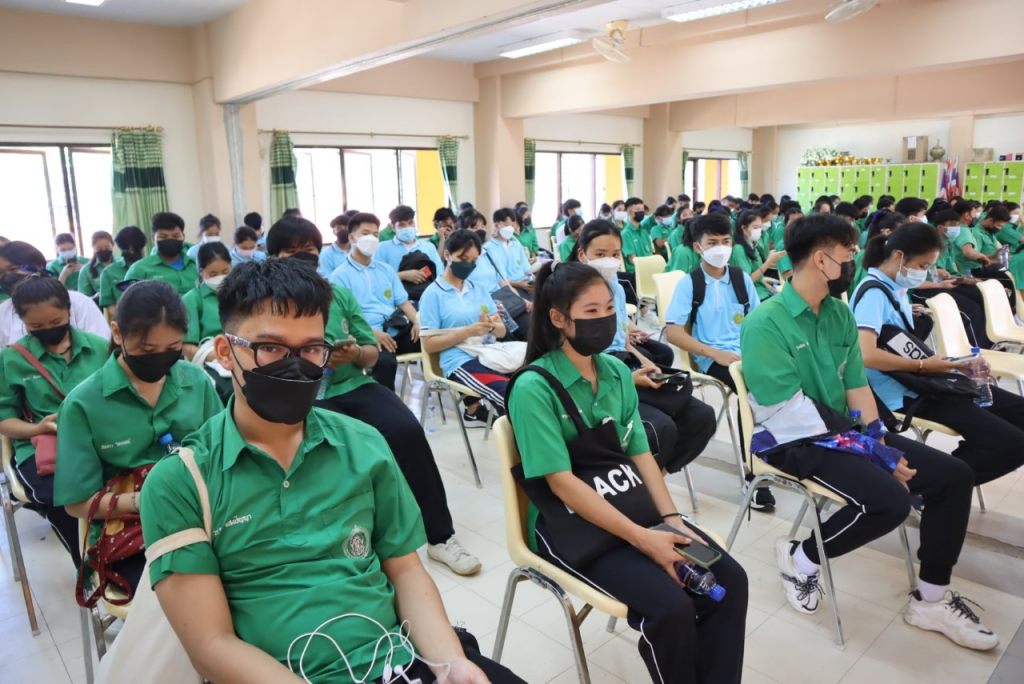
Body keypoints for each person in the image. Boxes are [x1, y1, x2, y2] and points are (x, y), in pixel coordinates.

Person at [140, 258, 523, 684]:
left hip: (396, 660)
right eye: (270, 348)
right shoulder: (182, 481)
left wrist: (450, 664)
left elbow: (405, 571)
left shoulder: (363, 445)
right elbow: (211, 645)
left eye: (310, 349)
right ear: (226, 353)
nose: (294, 365)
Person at [741, 213, 997, 650]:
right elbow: (789, 411)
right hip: (793, 438)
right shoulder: (766, 322)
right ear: (821, 260)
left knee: (954, 477)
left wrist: (876, 441)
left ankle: (931, 600)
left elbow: (856, 385)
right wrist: (875, 454)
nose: (854, 260)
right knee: (890, 501)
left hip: (846, 431)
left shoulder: (838, 312)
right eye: (848, 253)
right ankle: (801, 557)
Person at [508, 259, 748, 684]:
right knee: (670, 608)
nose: (604, 319)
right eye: (591, 311)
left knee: (729, 580)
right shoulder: (534, 388)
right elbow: (562, 484)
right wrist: (644, 539)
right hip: (570, 527)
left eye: (608, 308)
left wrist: (672, 520)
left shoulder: (617, 372)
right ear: (559, 319)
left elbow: (640, 454)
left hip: (627, 504)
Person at [268, 217, 481, 575]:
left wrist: (353, 353)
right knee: (325, 447)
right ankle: (331, 547)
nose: (304, 257)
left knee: (406, 430)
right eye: (293, 251)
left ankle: (440, 537)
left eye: (310, 250)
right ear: (274, 257)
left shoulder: (336, 295)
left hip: (351, 383)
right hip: (303, 394)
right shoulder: (267, 305)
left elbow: (369, 354)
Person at [54, 280, 221, 592]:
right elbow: (76, 504)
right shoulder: (83, 404)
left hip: (203, 512)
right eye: (147, 350)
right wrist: (140, 501)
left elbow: (222, 457)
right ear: (117, 333)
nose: (161, 358)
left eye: (172, 348)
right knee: (184, 594)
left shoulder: (196, 381)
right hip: (132, 528)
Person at [852, 222, 1024, 488]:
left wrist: (955, 365)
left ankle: (948, 478)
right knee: (1012, 444)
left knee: (1018, 413)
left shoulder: (895, 288)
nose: (924, 273)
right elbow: (866, 354)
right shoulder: (874, 293)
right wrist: (924, 366)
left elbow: (907, 348)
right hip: (900, 393)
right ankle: (936, 485)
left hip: (921, 381)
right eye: (922, 266)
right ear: (899, 256)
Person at [575, 219, 716, 476]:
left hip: (621, 363)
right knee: (661, 428)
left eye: (615, 254)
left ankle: (654, 481)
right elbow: (576, 360)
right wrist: (628, 379)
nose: (609, 261)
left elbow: (621, 338)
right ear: (582, 255)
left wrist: (642, 360)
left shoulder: (615, 287)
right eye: (600, 254)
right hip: (599, 379)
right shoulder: (572, 295)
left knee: (702, 417)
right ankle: (638, 487)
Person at [664, 213, 776, 510]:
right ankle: (754, 474)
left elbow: (757, 322)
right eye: (712, 242)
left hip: (745, 353)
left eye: (725, 241)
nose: (720, 248)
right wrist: (714, 354)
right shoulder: (690, 283)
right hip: (711, 357)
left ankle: (777, 456)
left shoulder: (740, 278)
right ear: (698, 247)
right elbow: (674, 333)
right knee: (750, 392)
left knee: (782, 380)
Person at [0, 277, 107, 567]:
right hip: (44, 447)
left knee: (128, 483)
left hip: (99, 440)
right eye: (36, 326)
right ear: (22, 320)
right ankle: (89, 567)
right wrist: (38, 428)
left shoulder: (100, 348)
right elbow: (4, 420)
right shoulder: (11, 359)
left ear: (69, 310)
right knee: (61, 499)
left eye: (56, 321)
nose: (48, 330)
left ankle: (123, 554)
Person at [420, 229, 510, 424]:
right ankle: (518, 439)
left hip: (489, 353)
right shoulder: (433, 295)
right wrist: (467, 332)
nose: (469, 264)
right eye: (463, 258)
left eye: (474, 260)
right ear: (447, 255)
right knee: (509, 393)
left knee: (528, 383)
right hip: (459, 360)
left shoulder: (478, 289)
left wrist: (491, 326)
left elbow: (502, 331)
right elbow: (429, 344)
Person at [329, 212, 421, 392]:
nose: (371, 239)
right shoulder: (339, 276)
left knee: (433, 341)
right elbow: (343, 319)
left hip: (396, 329)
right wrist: (371, 333)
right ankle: (386, 405)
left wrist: (418, 322)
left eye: (375, 235)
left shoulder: (386, 270)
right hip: (367, 335)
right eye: (365, 234)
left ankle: (467, 400)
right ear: (352, 238)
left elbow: (403, 303)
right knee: (385, 362)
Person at [0, 242, 110, 347]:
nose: (7, 277)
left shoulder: (78, 302)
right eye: (1, 273)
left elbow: (102, 346)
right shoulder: (3, 312)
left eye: (13, 269)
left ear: (38, 266)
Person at [125, 212, 199, 297]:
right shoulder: (139, 269)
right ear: (153, 239)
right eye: (163, 237)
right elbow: (128, 302)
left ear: (183, 237)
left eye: (176, 236)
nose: (170, 240)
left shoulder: (198, 265)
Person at [182, 241, 233, 360]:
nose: (220, 277)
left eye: (225, 272)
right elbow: (186, 346)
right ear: (200, 272)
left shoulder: (241, 293)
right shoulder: (192, 299)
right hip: (208, 357)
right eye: (213, 274)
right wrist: (216, 357)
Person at [730, 210, 785, 300]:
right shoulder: (739, 249)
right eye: (755, 227)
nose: (759, 230)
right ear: (743, 228)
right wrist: (769, 261)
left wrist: (772, 289)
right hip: (753, 295)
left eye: (760, 227)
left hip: (761, 290)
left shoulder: (753, 246)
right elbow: (749, 280)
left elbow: (759, 280)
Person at [98, 225, 147, 314]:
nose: (131, 252)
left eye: (135, 249)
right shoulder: (109, 272)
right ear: (121, 248)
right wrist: (124, 317)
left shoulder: (151, 267)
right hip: (122, 316)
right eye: (127, 249)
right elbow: (109, 303)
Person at [77, 231, 115, 304]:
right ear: (93, 248)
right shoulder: (86, 270)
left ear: (113, 245)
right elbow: (82, 299)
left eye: (107, 247)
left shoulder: (122, 264)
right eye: (99, 248)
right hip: (98, 307)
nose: (103, 250)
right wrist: (95, 297)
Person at [317, 214, 351, 278]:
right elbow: (326, 278)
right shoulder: (326, 255)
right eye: (339, 228)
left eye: (346, 227)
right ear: (334, 231)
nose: (343, 230)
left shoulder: (358, 250)